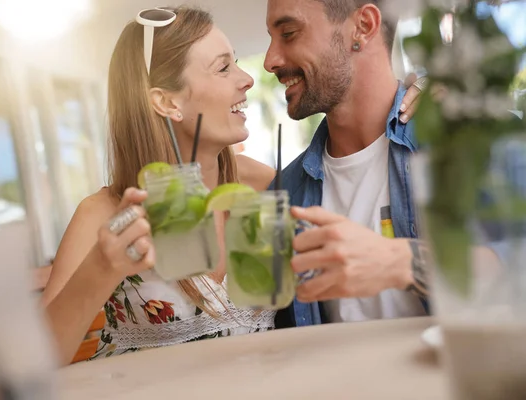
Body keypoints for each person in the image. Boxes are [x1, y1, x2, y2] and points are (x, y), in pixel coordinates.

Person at [42, 5, 424, 364]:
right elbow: (36, 361)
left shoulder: (274, 187)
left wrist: (429, 98)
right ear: (165, 101)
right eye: (223, 68)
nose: (247, 79)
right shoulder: (105, 214)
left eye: (237, 63)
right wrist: (100, 269)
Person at [263, 0, 440, 328]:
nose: (269, 61)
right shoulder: (284, 192)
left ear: (363, 27)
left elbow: (510, 267)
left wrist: (402, 262)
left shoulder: (457, 144)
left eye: (288, 33)